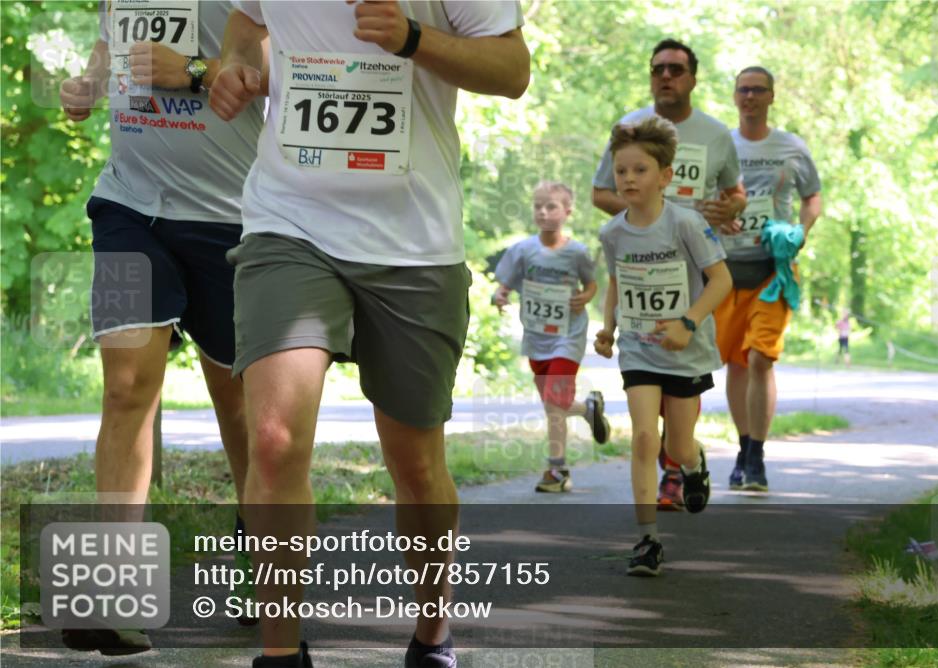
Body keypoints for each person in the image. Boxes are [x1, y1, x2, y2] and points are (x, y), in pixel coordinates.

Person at [209, 2, 529, 666]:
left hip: (412, 242)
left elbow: (511, 69)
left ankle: (433, 633)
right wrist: (236, 68)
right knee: (271, 442)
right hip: (288, 222)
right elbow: (245, 27)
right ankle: (279, 653)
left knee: (415, 465)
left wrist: (414, 38)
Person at [58, 1, 267, 653]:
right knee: (125, 386)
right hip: (128, 207)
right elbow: (108, 42)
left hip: (231, 220)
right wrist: (89, 85)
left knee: (240, 404)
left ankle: (261, 567)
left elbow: (284, 65)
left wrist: (198, 72)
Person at [591, 38, 746, 510]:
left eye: (676, 69)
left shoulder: (717, 134)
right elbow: (601, 193)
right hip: (640, 281)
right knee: (642, 429)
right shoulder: (630, 129)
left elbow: (736, 194)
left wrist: (725, 208)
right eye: (657, 67)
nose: (666, 75)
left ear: (693, 78)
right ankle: (650, 529)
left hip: (692, 278)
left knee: (678, 431)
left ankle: (685, 463)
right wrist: (650, 215)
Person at [594, 116, 732, 576]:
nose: (629, 179)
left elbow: (721, 280)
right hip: (638, 349)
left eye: (640, 170)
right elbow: (618, 282)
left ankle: (694, 467)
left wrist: (688, 322)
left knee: (678, 444)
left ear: (665, 176)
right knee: (644, 440)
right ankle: (648, 539)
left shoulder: (686, 224)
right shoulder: (613, 233)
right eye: (621, 171)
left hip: (684, 350)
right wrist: (608, 327)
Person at [716, 66, 822, 493]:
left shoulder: (791, 147)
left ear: (772, 96)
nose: (750, 97)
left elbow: (811, 197)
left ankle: (757, 455)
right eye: (743, 89)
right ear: (735, 96)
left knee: (760, 357)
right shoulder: (721, 145)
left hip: (773, 269)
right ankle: (743, 449)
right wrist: (716, 221)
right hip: (726, 268)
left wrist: (801, 231)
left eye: (758, 90)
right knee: (736, 362)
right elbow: (706, 195)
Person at [492, 181, 610, 493]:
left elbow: (591, 285)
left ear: (567, 212)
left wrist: (585, 298)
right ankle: (588, 409)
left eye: (551, 207)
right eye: (538, 207)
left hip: (567, 336)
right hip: (536, 336)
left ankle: (556, 470)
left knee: (555, 400)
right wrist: (500, 295)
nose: (543, 212)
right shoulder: (522, 250)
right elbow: (505, 283)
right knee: (552, 403)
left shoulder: (578, 253)